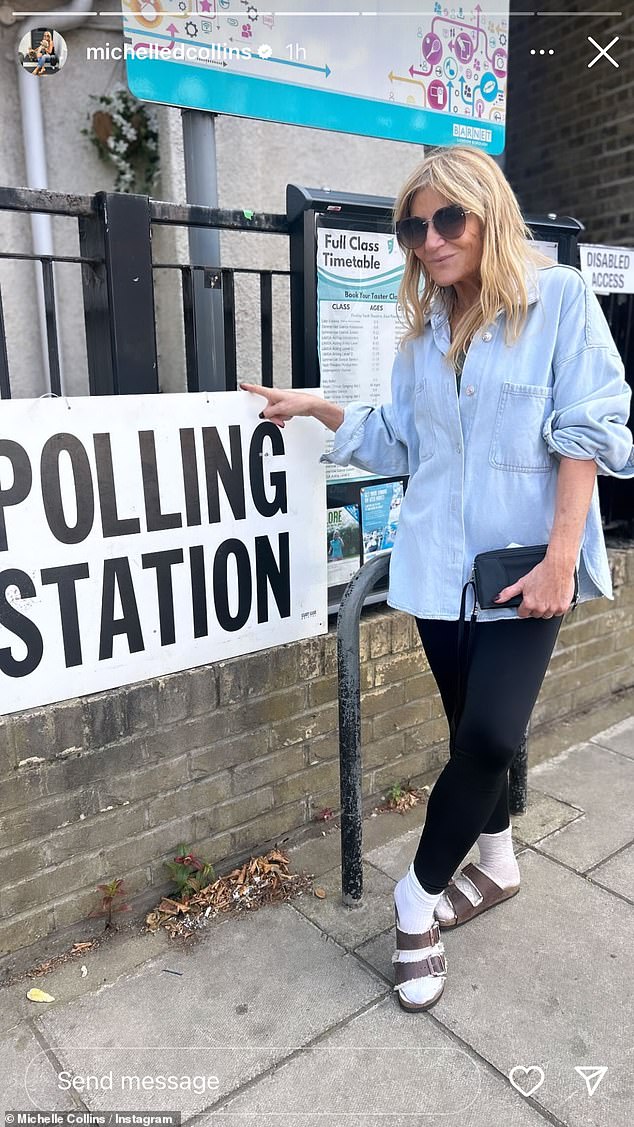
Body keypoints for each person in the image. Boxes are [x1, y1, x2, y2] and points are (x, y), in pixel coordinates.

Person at [241, 145, 634, 1013]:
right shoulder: (421, 333)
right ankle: (496, 864)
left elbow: (591, 429)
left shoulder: (558, 299)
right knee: (468, 736)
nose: (427, 240)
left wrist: (562, 556)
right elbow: (398, 441)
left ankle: (412, 901)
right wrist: (318, 408)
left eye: (446, 219)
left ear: (487, 213)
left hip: (524, 567)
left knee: (493, 737)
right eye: (413, 226)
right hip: (435, 568)